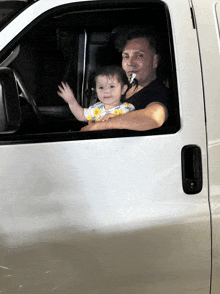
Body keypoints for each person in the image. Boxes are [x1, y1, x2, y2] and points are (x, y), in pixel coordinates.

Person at [80, 26, 169, 132]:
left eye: (139, 56)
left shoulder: (157, 91)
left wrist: (100, 126)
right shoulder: (119, 87)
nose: (130, 63)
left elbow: (154, 117)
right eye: (126, 57)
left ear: (155, 61)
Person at [57, 65, 135, 122]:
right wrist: (72, 101)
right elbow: (81, 115)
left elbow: (132, 122)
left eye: (112, 86)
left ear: (123, 89)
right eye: (101, 87)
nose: (106, 91)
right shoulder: (96, 108)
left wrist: (116, 118)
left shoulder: (127, 109)